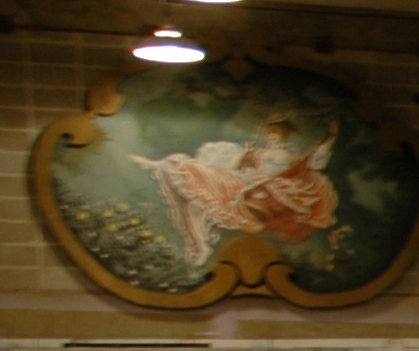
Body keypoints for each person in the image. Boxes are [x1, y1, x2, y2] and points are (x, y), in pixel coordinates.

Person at [134, 113, 340, 265]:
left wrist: (330, 138)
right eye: (270, 133)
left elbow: (314, 162)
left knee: (244, 194)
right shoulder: (259, 153)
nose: (273, 136)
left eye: (277, 133)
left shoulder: (292, 157)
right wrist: (245, 155)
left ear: (285, 135)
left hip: (269, 186)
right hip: (249, 180)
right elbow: (239, 168)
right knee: (205, 176)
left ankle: (171, 168)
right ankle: (169, 166)